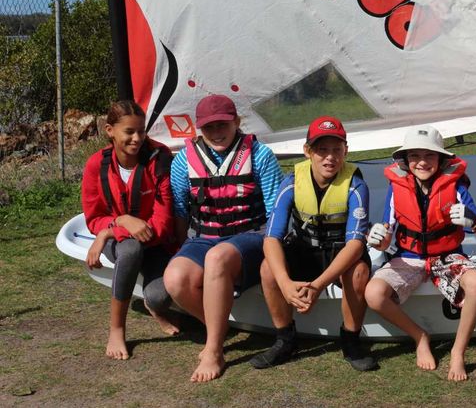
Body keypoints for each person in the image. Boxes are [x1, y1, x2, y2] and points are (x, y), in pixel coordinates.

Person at [162, 94, 283, 382]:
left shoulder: (260, 155)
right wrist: (179, 248)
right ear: (199, 129)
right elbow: (180, 210)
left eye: (222, 125)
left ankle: (214, 349)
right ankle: (219, 325)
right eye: (209, 127)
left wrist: (277, 256)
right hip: (204, 236)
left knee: (217, 258)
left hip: (251, 236)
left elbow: (276, 211)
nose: (216, 132)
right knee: (175, 279)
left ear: (236, 122)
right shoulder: (183, 161)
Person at [250, 116, 377, 372]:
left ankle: (351, 340)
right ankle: (285, 339)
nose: (330, 158)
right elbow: (272, 237)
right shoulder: (292, 181)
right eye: (322, 150)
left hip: (340, 253)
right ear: (308, 151)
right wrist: (285, 284)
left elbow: (355, 246)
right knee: (268, 269)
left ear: (346, 151)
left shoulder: (356, 185)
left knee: (359, 272)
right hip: (304, 249)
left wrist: (318, 286)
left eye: (336, 150)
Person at [364, 126, 476, 382]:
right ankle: (420, 336)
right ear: (405, 159)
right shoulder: (397, 187)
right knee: (373, 294)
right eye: (415, 155)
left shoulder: (456, 187)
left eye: (429, 155)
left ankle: (457, 352)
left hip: (447, 256)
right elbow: (386, 238)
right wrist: (378, 239)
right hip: (408, 257)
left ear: (441, 159)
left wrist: (474, 222)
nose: (422, 162)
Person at [81, 100, 179, 360]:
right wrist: (121, 222)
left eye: (141, 131)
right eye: (129, 132)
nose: (137, 139)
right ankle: (117, 329)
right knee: (131, 249)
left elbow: (163, 222)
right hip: (122, 242)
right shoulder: (97, 165)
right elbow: (94, 218)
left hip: (155, 241)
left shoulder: (159, 158)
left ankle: (152, 306)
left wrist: (109, 232)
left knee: (159, 298)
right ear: (110, 130)